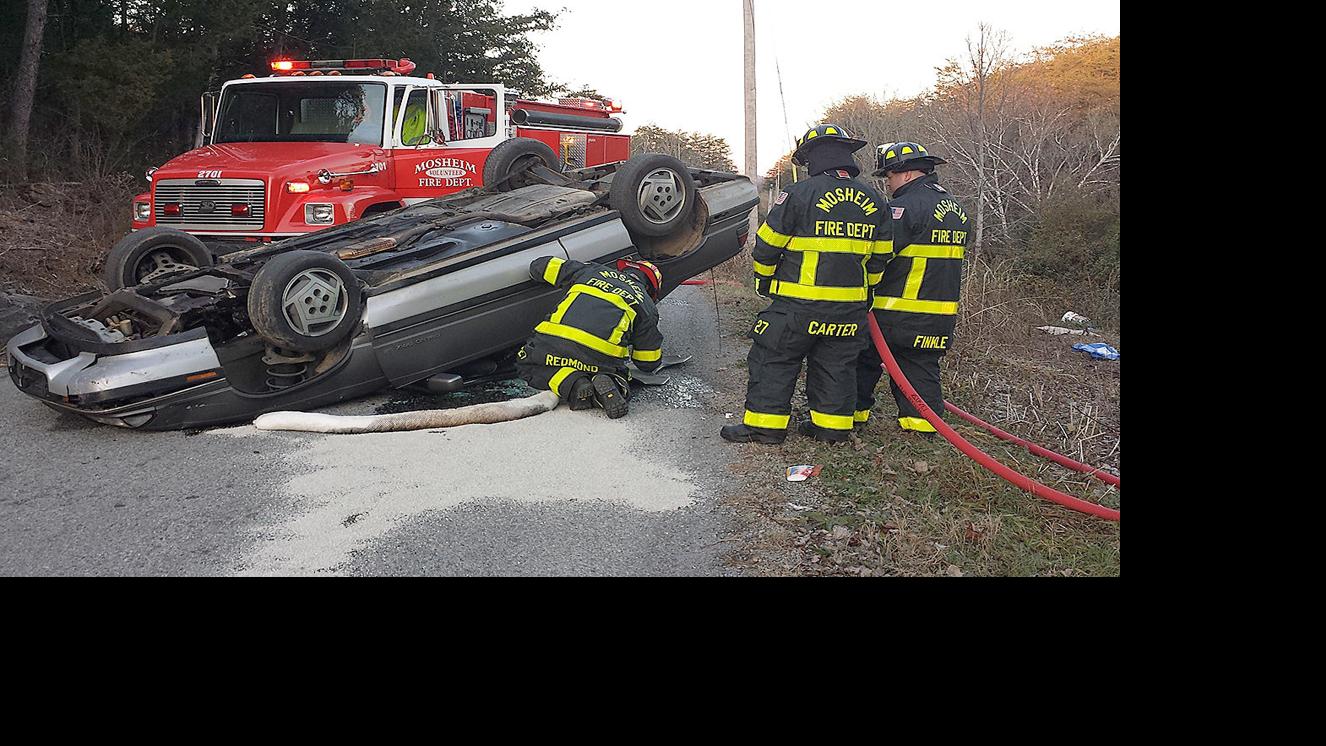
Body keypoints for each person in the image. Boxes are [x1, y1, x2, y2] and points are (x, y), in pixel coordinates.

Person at [721, 124, 893, 444]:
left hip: (797, 306)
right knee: (836, 366)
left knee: (774, 358)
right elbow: (881, 257)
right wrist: (863, 292)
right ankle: (832, 429)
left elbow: (768, 245)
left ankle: (765, 427)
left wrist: (764, 278)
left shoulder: (799, 194)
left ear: (813, 158)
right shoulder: (874, 200)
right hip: (848, 311)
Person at [854, 142, 970, 434]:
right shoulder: (955, 209)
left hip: (896, 312)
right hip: (939, 313)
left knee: (860, 360)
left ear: (905, 174)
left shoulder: (902, 209)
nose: (889, 184)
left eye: (889, 177)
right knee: (920, 368)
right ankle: (923, 427)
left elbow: (878, 254)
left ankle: (852, 416)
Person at [517, 256, 665, 418]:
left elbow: (539, 266)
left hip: (551, 344)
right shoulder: (647, 306)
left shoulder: (591, 271)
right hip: (599, 359)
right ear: (650, 289)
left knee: (530, 367)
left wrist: (535, 274)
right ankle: (607, 383)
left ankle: (574, 383)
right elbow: (648, 362)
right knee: (620, 376)